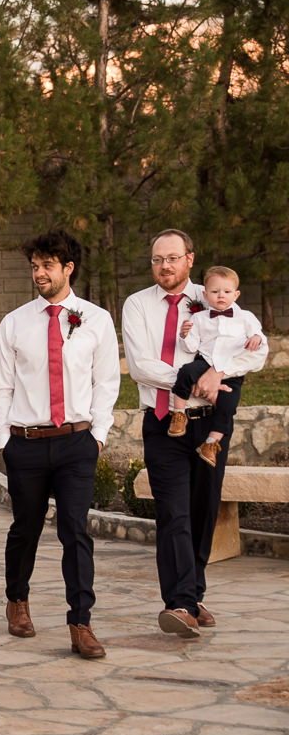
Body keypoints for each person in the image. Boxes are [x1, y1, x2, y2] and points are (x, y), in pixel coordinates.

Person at [123, 229, 267, 639]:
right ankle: (180, 603)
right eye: (156, 259)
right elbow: (141, 366)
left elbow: (257, 351)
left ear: (189, 258)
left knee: (204, 509)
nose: (164, 266)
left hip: (210, 424)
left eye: (172, 258)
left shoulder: (218, 293)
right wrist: (192, 381)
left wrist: (218, 373)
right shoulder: (137, 305)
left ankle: (193, 593)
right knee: (174, 513)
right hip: (164, 420)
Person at [0, 231, 119, 659]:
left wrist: (97, 436)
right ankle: (17, 600)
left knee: (75, 532)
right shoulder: (15, 322)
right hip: (25, 444)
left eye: (48, 265)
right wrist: (5, 440)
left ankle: (80, 622)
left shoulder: (96, 319)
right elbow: (1, 387)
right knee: (24, 528)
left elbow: (107, 383)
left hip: (76, 442)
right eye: (34, 266)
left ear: (68, 268)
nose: (39, 273)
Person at [168, 266, 265, 467]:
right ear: (205, 294)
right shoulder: (199, 319)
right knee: (186, 373)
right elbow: (192, 346)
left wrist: (256, 337)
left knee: (228, 405)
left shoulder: (246, 317)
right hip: (205, 362)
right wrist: (185, 335)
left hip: (231, 369)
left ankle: (211, 443)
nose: (221, 296)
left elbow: (259, 336)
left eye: (227, 292)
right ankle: (179, 413)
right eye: (215, 291)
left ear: (236, 294)